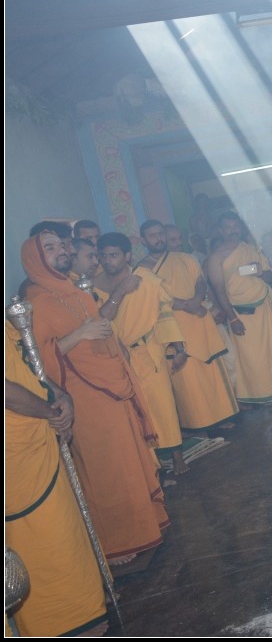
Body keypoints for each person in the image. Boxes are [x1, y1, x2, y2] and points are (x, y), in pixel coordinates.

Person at [20, 230, 169, 567]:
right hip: (82, 399)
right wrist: (81, 333)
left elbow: (103, 330)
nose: (61, 250)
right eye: (49, 247)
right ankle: (117, 542)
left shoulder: (76, 291)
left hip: (112, 387)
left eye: (61, 245)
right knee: (105, 471)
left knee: (127, 461)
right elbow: (36, 360)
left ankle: (144, 525)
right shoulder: (36, 302)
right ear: (35, 258)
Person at [5, 322, 109, 637]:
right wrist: (50, 411)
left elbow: (27, 363)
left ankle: (85, 608)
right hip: (17, 454)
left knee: (66, 528)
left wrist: (60, 395)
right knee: (41, 536)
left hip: (35, 437)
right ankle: (64, 624)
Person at [94, 231, 189, 475]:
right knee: (135, 410)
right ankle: (152, 463)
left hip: (148, 351)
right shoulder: (93, 286)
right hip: (116, 357)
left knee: (163, 406)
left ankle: (177, 457)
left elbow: (164, 315)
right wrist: (120, 292)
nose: (108, 261)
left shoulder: (145, 280)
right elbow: (99, 320)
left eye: (114, 255)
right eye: (103, 256)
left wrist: (179, 347)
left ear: (127, 256)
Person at [138, 220, 240, 434]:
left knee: (212, 372)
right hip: (174, 328)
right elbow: (154, 298)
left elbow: (200, 281)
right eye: (152, 235)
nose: (158, 238)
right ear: (143, 240)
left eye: (160, 233)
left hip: (199, 323)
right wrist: (187, 305)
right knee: (188, 379)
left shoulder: (185, 258)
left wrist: (196, 299)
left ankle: (222, 416)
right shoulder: (142, 269)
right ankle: (197, 424)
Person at [205, 211, 272, 405]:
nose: (233, 231)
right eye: (228, 228)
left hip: (264, 307)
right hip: (240, 313)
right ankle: (262, 395)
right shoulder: (215, 258)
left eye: (236, 226)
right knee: (252, 358)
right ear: (220, 231)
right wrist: (233, 318)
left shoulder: (250, 248)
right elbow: (219, 290)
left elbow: (269, 275)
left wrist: (257, 271)